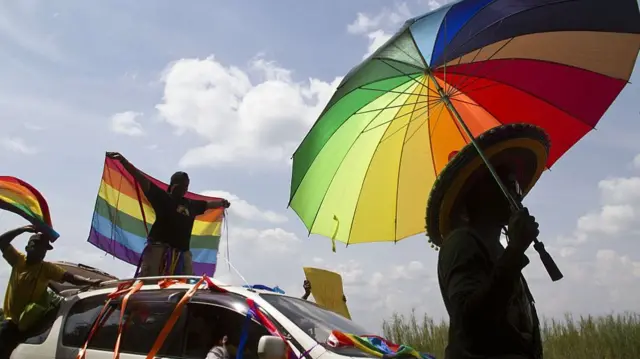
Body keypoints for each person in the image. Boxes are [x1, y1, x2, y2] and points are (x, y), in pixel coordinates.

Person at [425, 124, 547, 359]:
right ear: (481, 192)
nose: (517, 195)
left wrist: (512, 251)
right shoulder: (461, 243)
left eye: (517, 187)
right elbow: (471, 324)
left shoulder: (499, 250)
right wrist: (515, 250)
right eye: (509, 185)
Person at [106, 152, 231, 277]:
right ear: (173, 185)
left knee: (183, 284)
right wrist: (123, 161)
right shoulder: (162, 197)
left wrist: (222, 203)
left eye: (186, 186)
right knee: (150, 282)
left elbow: (208, 205)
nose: (185, 189)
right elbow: (141, 179)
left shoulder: (191, 204)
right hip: (158, 250)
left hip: (181, 255)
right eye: (182, 185)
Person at [0, 225, 102, 358]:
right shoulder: (18, 260)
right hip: (9, 324)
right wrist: (22, 229)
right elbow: (2, 241)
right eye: (39, 247)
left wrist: (90, 282)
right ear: (28, 248)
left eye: (44, 249)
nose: (42, 252)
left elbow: (70, 277)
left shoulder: (46, 268)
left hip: (30, 325)